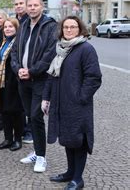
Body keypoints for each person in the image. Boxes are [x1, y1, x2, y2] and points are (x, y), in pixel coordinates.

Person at [43, 16, 102, 189]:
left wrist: (81, 97)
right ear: (61, 30)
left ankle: (78, 178)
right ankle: (70, 172)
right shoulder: (61, 49)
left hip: (78, 105)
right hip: (62, 103)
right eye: (66, 27)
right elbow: (51, 76)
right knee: (68, 138)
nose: (69, 30)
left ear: (80, 29)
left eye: (73, 27)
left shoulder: (86, 49)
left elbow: (94, 77)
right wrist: (47, 98)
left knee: (79, 139)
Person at [10, 0, 57, 173]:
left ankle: (42, 157)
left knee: (37, 117)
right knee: (30, 116)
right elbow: (15, 51)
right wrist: (18, 69)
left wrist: (31, 71)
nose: (32, 8)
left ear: (42, 6)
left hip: (40, 80)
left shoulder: (49, 26)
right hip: (23, 79)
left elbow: (49, 55)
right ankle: (37, 151)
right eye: (29, 5)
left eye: (35, 5)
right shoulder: (23, 25)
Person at [0, 18, 24, 152]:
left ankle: (17, 139)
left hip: (15, 83)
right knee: (4, 111)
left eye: (11, 26)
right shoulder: (4, 42)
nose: (8, 29)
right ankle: (7, 139)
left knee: (16, 112)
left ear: (16, 28)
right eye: (5, 27)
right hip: (2, 82)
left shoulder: (19, 43)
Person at [14, 0, 33, 143]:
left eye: (21, 3)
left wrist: (30, 69)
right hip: (19, 69)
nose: (19, 6)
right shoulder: (16, 21)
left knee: (31, 106)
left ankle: (30, 132)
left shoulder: (30, 21)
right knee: (21, 103)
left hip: (31, 71)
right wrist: (17, 67)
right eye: (16, 4)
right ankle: (22, 128)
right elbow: (15, 48)